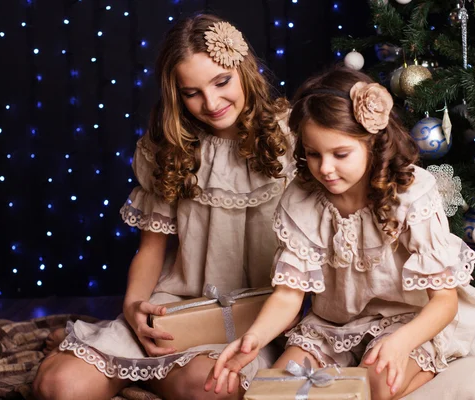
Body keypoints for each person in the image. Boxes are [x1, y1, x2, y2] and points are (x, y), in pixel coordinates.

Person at [33, 14, 295, 400]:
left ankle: (143, 371)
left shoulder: (295, 139)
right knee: (57, 387)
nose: (211, 102)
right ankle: (125, 356)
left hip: (257, 318)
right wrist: (136, 308)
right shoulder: (167, 148)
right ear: (176, 93)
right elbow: (150, 251)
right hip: (180, 309)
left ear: (244, 68)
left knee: (215, 389)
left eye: (221, 82)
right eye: (192, 92)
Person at [206, 67, 475, 400]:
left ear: (373, 143)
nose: (325, 168)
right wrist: (253, 338)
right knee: (281, 391)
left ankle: (424, 366)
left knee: (376, 387)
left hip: (406, 322)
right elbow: (288, 296)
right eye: (313, 154)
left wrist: (402, 343)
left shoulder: (412, 194)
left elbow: (444, 302)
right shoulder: (301, 203)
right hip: (331, 328)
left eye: (340, 154)